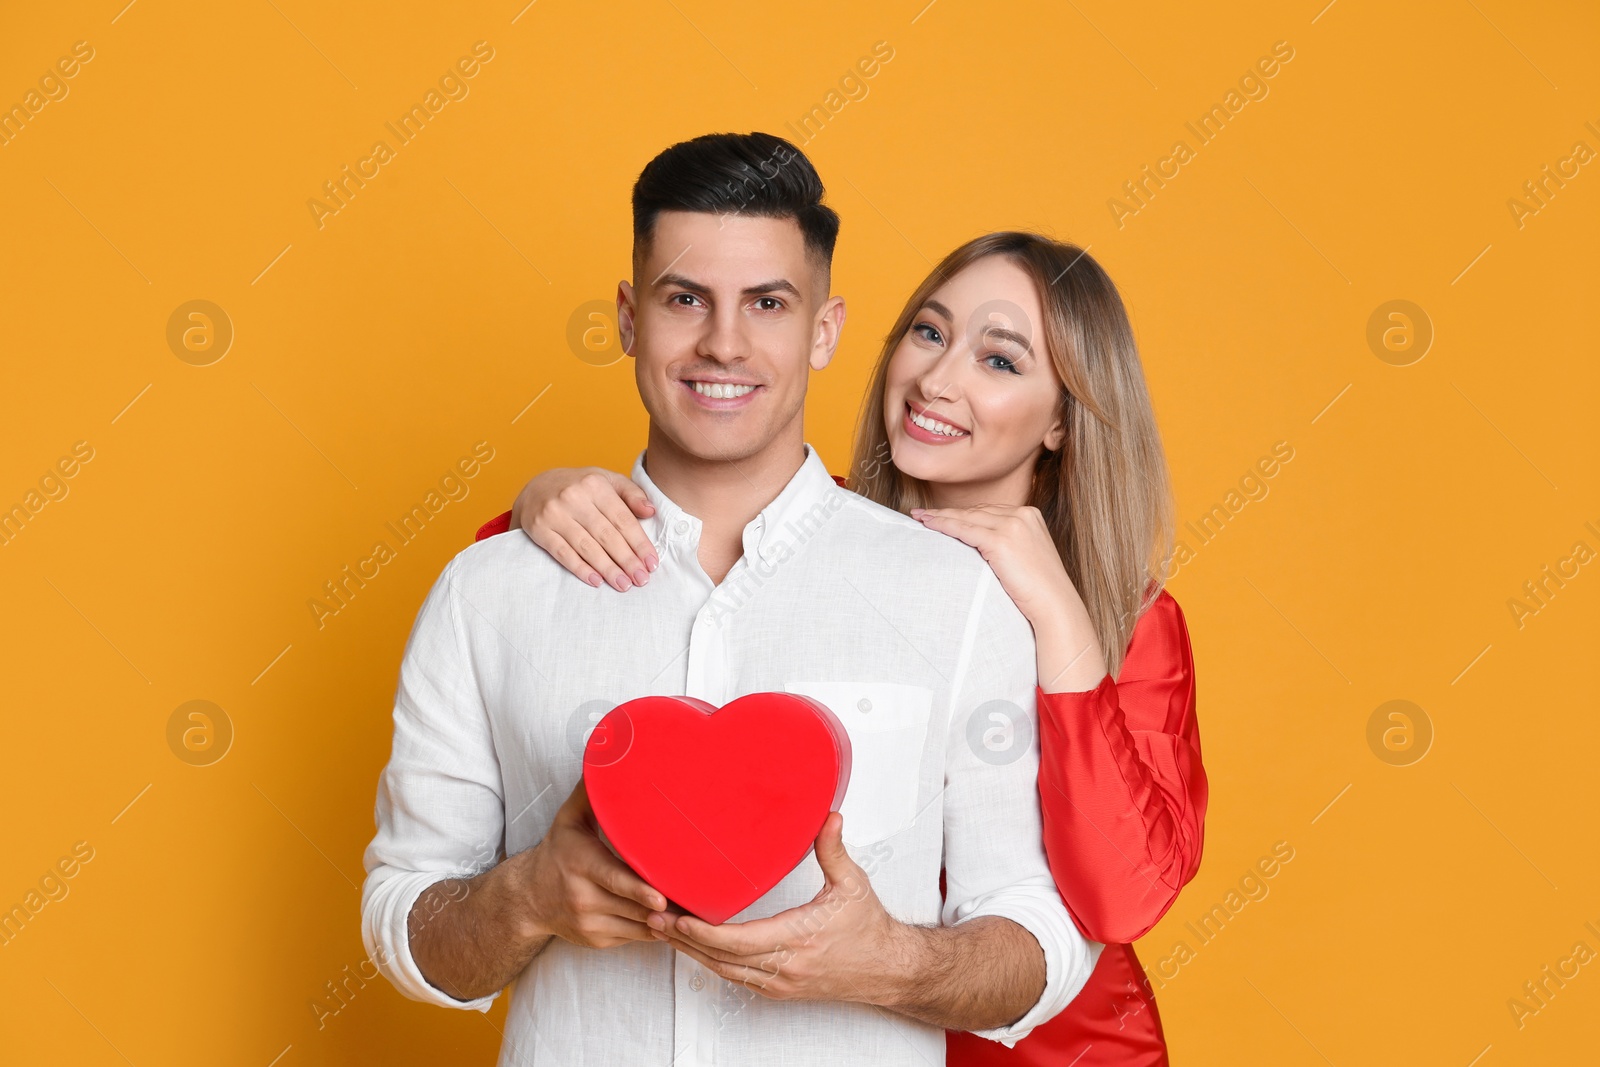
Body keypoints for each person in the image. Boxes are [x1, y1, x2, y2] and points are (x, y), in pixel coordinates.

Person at [362, 132, 1095, 1066]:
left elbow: (1041, 933)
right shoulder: (489, 591)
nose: (724, 342)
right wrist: (530, 896)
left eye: (768, 303)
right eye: (684, 299)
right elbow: (403, 917)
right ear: (630, 316)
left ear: (823, 329)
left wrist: (892, 963)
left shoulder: (955, 597)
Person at [485, 230, 1205, 1065]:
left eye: (999, 361)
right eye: (929, 333)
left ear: (1061, 421)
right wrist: (540, 502)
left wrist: (1058, 614)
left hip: (1057, 1049)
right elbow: (533, 607)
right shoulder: (799, 540)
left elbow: (1125, 896)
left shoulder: (1131, 620)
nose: (937, 379)